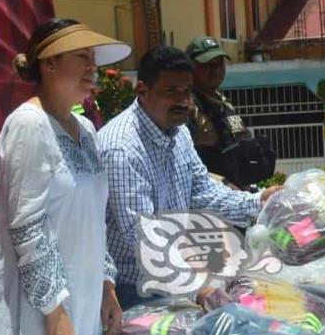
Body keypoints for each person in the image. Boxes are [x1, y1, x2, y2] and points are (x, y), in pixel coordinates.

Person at [0, 19, 130, 335]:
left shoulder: (86, 129)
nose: (92, 67)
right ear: (49, 64)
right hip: (43, 320)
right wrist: (54, 313)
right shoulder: (29, 125)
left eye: (93, 58)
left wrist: (107, 287)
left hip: (86, 303)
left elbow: (94, 218)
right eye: (81, 57)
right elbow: (26, 227)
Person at [98, 46, 280, 310]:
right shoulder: (122, 148)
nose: (183, 101)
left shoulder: (179, 132)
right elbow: (144, 239)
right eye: (171, 91)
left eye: (187, 91)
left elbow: (203, 190)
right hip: (131, 293)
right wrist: (200, 289)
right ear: (142, 91)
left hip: (176, 282)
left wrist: (258, 201)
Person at [185, 36, 275, 189]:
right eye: (208, 65)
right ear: (190, 67)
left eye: (220, 63)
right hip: (208, 197)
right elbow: (185, 164)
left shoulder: (223, 104)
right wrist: (221, 183)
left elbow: (239, 145)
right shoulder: (189, 107)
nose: (216, 70)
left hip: (237, 193)